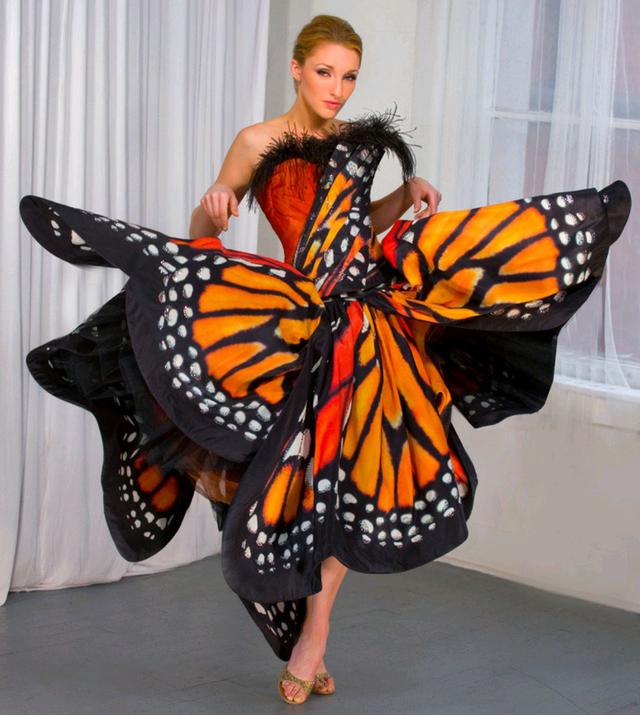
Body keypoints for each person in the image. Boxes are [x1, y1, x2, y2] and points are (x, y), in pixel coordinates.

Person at [19, 12, 631, 708]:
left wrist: (404, 196)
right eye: (325, 73)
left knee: (355, 473)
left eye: (349, 77)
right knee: (291, 480)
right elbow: (201, 234)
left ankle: (316, 634)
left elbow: (357, 227)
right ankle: (296, 613)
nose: (337, 89)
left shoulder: (359, 144)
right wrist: (213, 207)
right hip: (295, 320)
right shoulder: (257, 142)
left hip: (369, 320)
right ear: (296, 68)